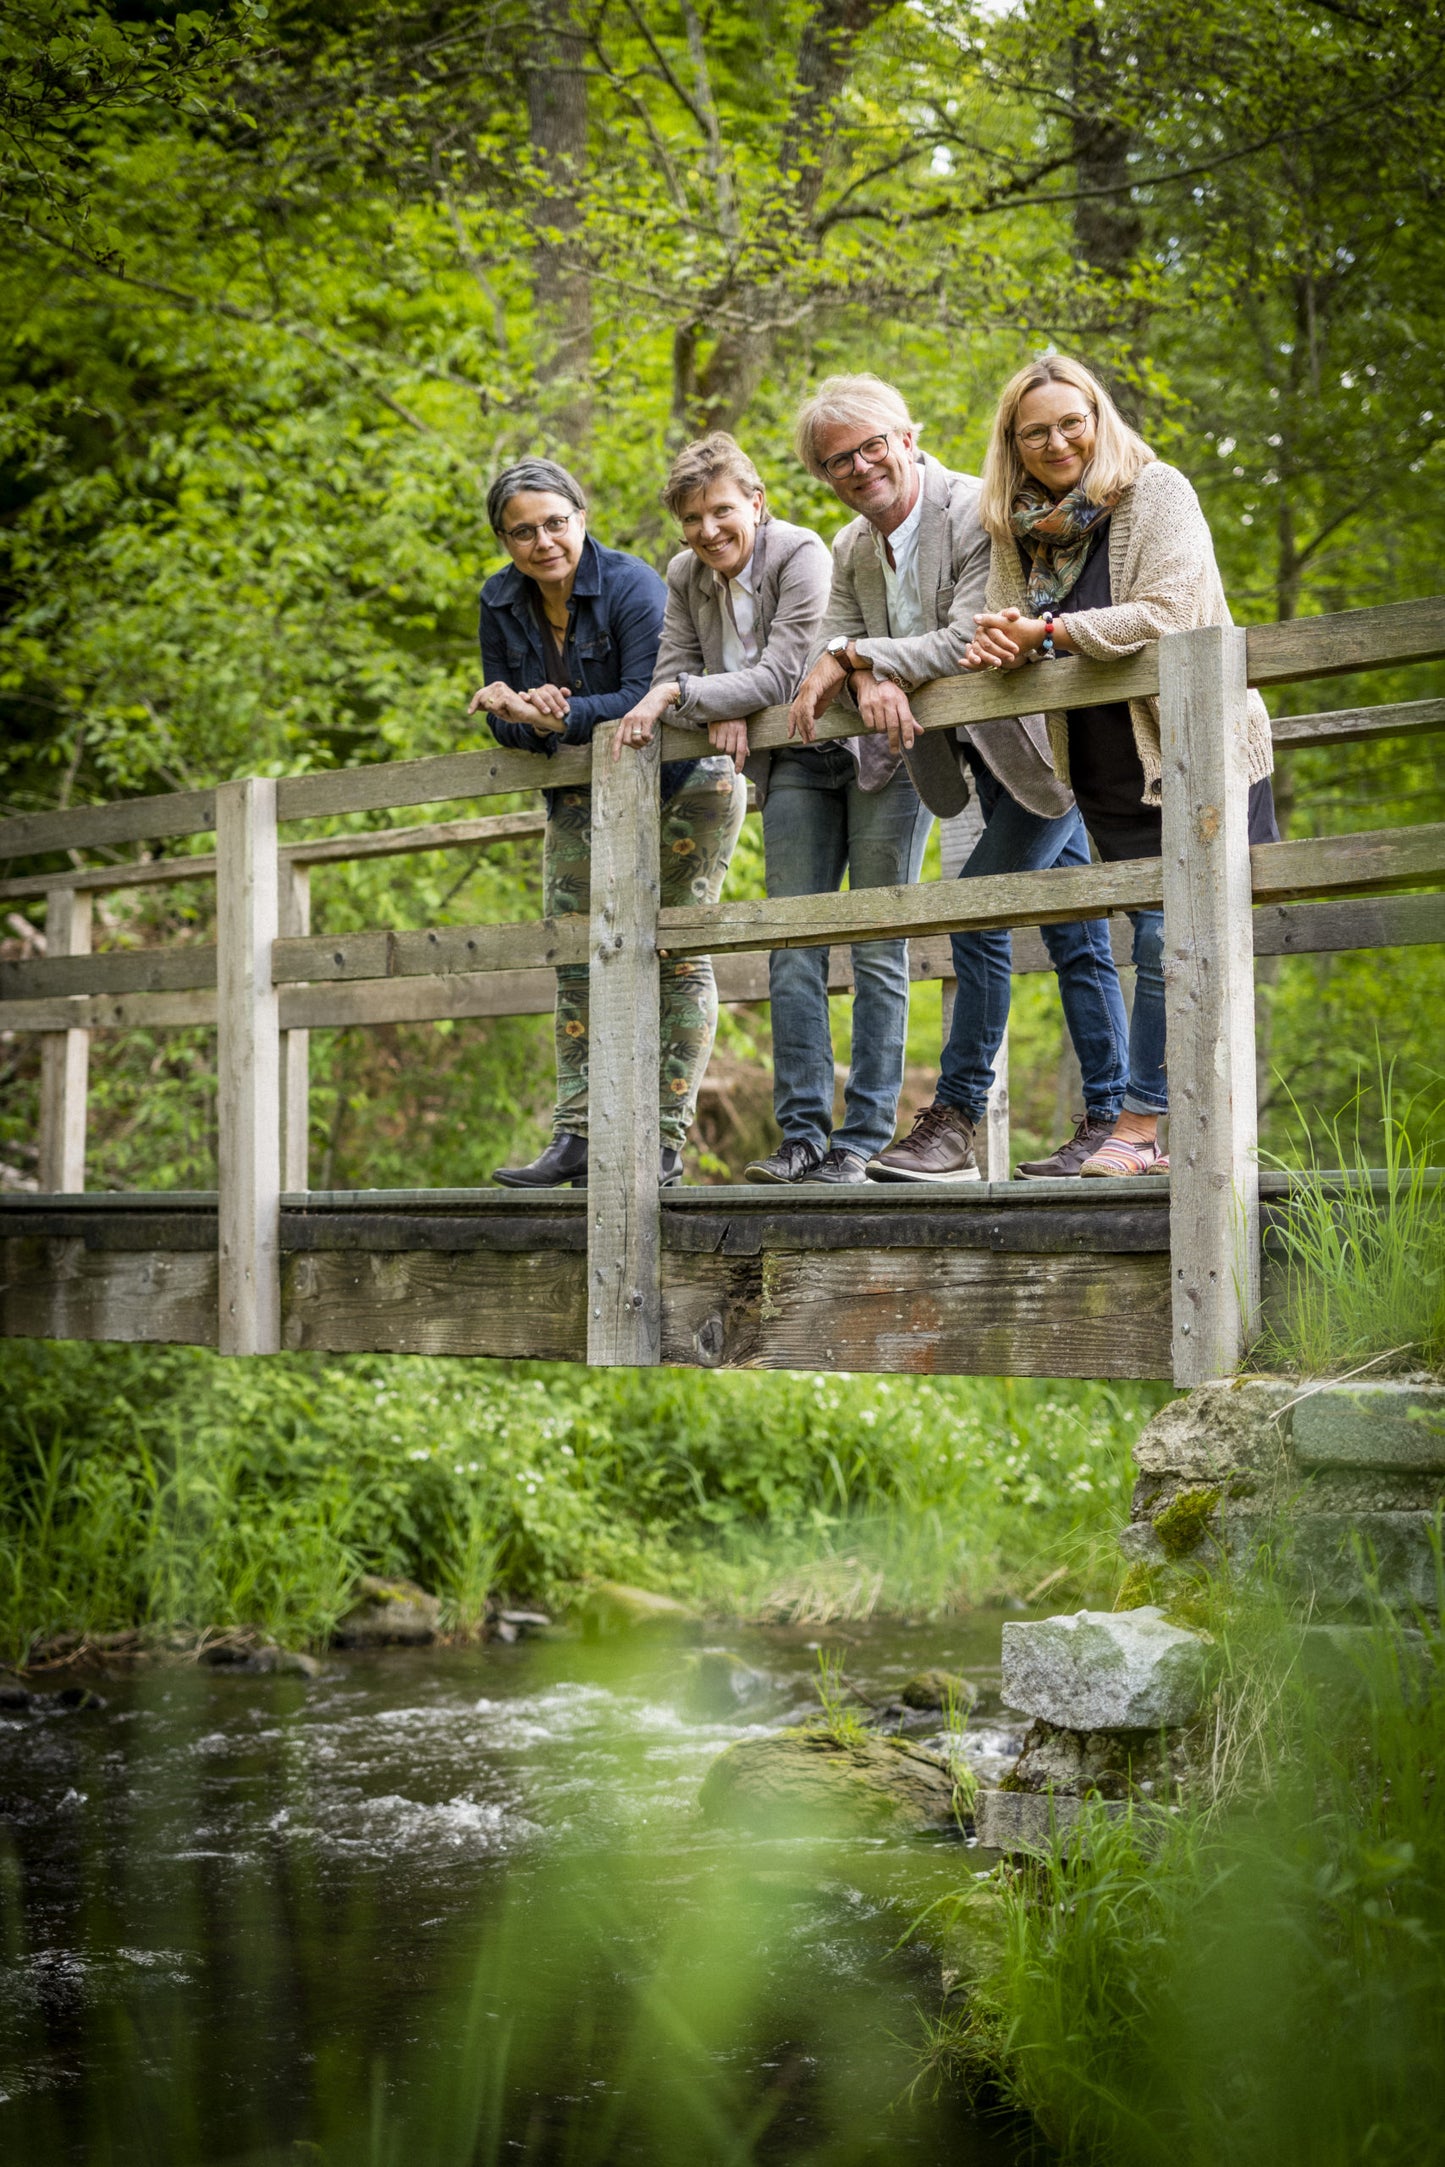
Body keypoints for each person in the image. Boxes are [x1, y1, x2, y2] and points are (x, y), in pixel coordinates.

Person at [787, 374, 1130, 1187]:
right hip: (969, 763)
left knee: (975, 912)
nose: (861, 466)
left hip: (1044, 750)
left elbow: (963, 638)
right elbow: (840, 631)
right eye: (839, 460)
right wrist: (863, 671)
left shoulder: (978, 510)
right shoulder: (849, 548)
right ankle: (1109, 1119)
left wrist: (858, 659)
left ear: (908, 437)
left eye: (873, 445)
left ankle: (955, 1121)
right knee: (1075, 937)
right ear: (824, 476)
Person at [962, 353, 1279, 1177]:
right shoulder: (1017, 523)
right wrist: (1002, 645)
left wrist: (1050, 634)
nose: (1056, 440)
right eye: (1035, 431)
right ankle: (1168, 1137)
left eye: (1072, 421)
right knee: (1152, 933)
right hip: (1101, 758)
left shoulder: (1154, 491)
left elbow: (1171, 612)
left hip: (1193, 744)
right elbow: (1006, 621)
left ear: (1098, 420)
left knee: (1181, 935)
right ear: (1013, 443)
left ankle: (1141, 1127)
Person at [469, 456, 737, 1189]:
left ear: (581, 517)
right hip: (582, 793)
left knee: (674, 951)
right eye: (521, 532)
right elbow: (510, 726)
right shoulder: (498, 601)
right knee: (572, 954)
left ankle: (660, 1140)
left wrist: (555, 714)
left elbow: (648, 697)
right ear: (503, 540)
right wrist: (519, 717)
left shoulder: (630, 585)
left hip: (684, 779)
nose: (542, 542)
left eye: (555, 523)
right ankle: (578, 1135)